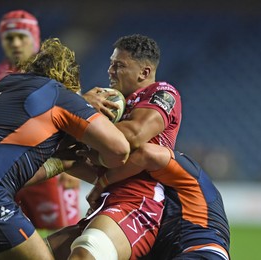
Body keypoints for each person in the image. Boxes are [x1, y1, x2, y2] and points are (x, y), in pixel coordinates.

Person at [0, 38, 130, 260]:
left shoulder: (1, 87)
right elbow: (119, 150)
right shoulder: (58, 93)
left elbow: (10, 163)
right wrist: (85, 109)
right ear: (69, 81)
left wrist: (58, 161)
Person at [46, 34, 182, 260]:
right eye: (111, 64)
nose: (110, 70)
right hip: (105, 204)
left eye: (119, 65)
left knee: (85, 254)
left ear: (144, 73)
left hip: (138, 203)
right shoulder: (115, 104)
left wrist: (83, 112)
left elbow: (133, 135)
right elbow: (84, 160)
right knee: (29, 254)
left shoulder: (162, 93)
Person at [0, 9, 82, 233]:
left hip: (52, 173)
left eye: (21, 37)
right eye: (9, 38)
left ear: (34, 38)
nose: (15, 43)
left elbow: (77, 116)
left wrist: (68, 168)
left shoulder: (54, 71)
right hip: (16, 176)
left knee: (64, 238)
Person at [86, 143, 230, 260]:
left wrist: (101, 184)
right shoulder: (156, 189)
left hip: (201, 252)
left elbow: (147, 154)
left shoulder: (191, 176)